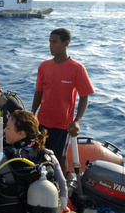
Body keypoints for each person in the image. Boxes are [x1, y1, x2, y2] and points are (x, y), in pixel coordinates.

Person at [0, 110, 70, 213]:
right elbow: (62, 183)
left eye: (8, 128)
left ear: (21, 133)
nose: (4, 131)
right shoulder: (48, 156)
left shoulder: (3, 158)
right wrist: (63, 206)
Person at [31, 28, 94, 174]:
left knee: (59, 157)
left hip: (62, 125)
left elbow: (84, 96)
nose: (50, 45)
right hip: (42, 121)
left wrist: (77, 120)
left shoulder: (77, 68)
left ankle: (62, 188)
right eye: (49, 42)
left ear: (66, 43)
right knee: (39, 154)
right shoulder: (44, 66)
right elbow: (39, 92)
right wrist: (32, 113)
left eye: (54, 42)